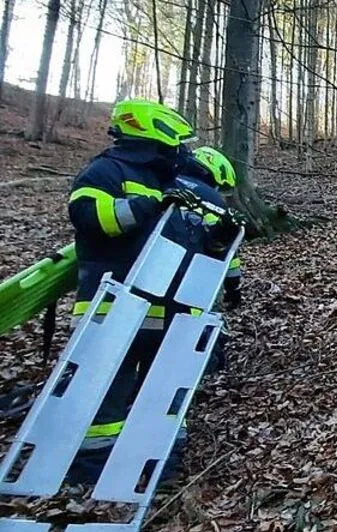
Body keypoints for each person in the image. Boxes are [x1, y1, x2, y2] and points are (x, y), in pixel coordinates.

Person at [65, 99, 235, 483]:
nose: (182, 152)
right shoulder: (105, 171)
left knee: (164, 392)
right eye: (175, 145)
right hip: (111, 308)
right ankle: (90, 473)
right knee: (104, 394)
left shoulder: (176, 183)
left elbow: (193, 245)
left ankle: (158, 468)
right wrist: (148, 206)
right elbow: (91, 218)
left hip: (169, 310)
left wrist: (220, 239)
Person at [175, 146, 244, 309]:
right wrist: (233, 286)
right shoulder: (210, 198)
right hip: (192, 273)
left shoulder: (167, 180)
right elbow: (225, 247)